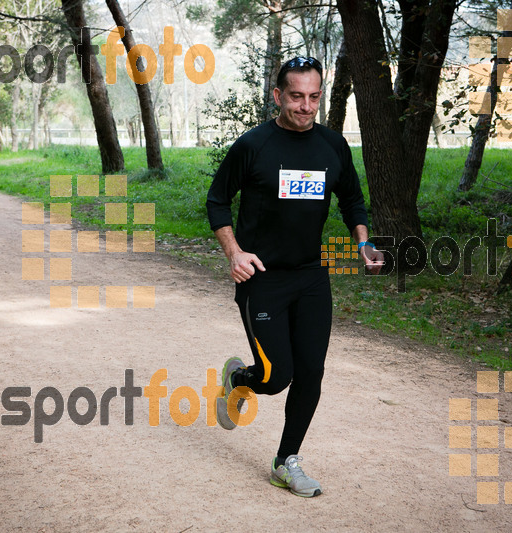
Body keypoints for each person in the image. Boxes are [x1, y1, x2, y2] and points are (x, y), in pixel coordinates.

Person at [206, 56, 384, 498]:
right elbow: (217, 201)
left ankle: (286, 461)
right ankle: (240, 380)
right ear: (278, 96)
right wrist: (235, 252)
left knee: (310, 373)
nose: (306, 106)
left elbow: (352, 200)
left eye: (314, 97)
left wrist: (363, 243)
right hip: (262, 278)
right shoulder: (254, 146)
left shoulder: (332, 146)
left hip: (310, 278)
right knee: (275, 377)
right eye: (297, 96)